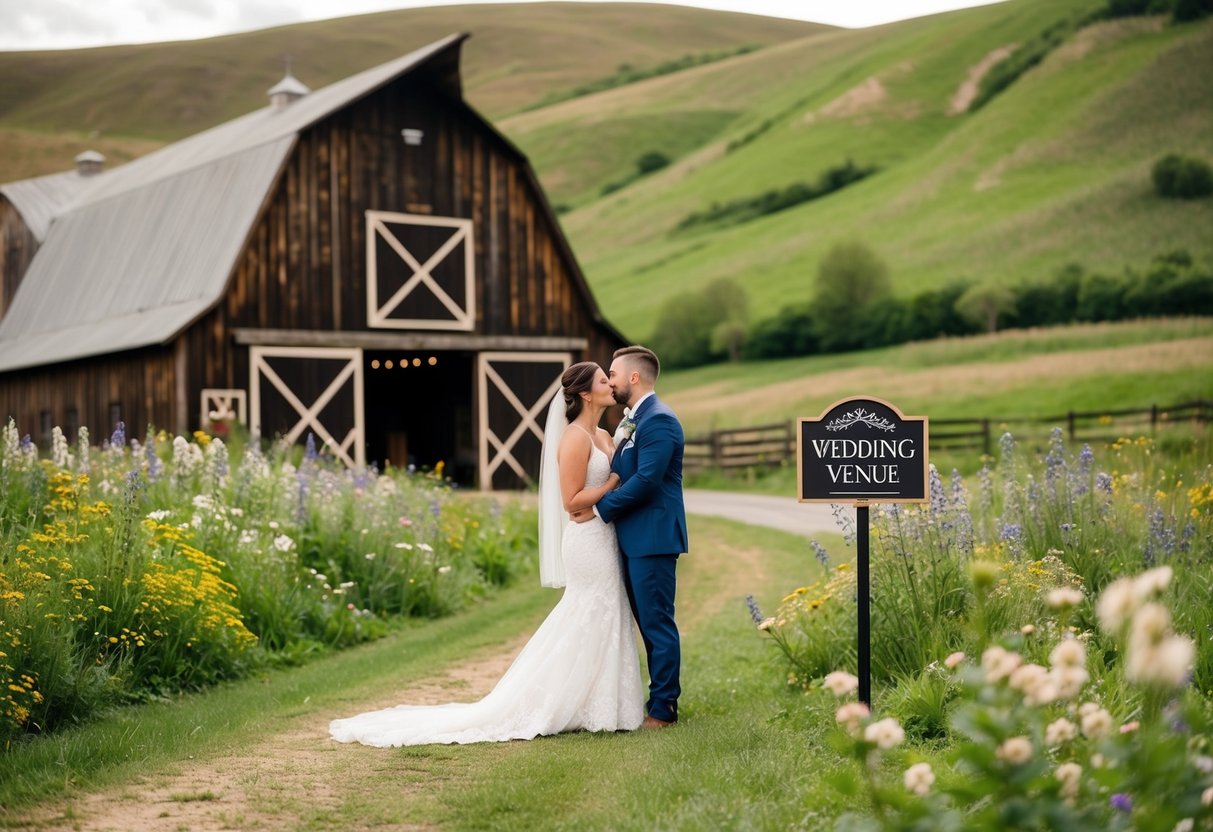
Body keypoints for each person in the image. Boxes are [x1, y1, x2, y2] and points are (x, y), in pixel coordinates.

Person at [329, 361, 643, 747]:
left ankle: (602, 704)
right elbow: (570, 502)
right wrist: (612, 482)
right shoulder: (575, 438)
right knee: (589, 611)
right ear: (583, 393)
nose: (610, 384)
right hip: (586, 542)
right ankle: (562, 703)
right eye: (602, 380)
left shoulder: (606, 434)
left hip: (604, 534)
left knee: (609, 610)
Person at [575, 345, 687, 729]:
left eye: (614, 374)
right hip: (632, 537)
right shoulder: (632, 421)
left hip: (653, 537)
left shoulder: (659, 420)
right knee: (645, 623)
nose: (610, 380)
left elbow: (646, 481)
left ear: (634, 378)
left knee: (656, 624)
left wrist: (600, 510)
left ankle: (663, 709)